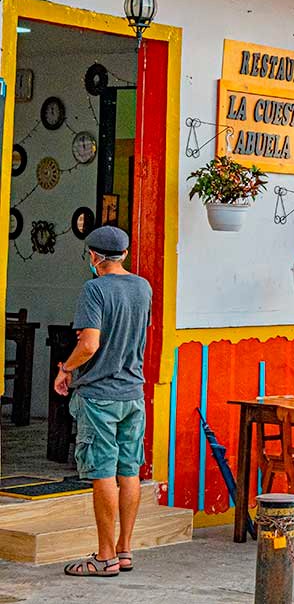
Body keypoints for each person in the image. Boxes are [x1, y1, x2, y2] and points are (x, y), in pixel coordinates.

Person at [55, 226, 152, 578]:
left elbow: (90, 344)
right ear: (124, 254)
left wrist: (65, 368)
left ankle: (105, 556)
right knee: (130, 471)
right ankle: (124, 550)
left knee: (103, 473)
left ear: (94, 256)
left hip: (100, 396)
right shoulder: (143, 287)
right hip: (133, 394)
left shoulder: (94, 289)